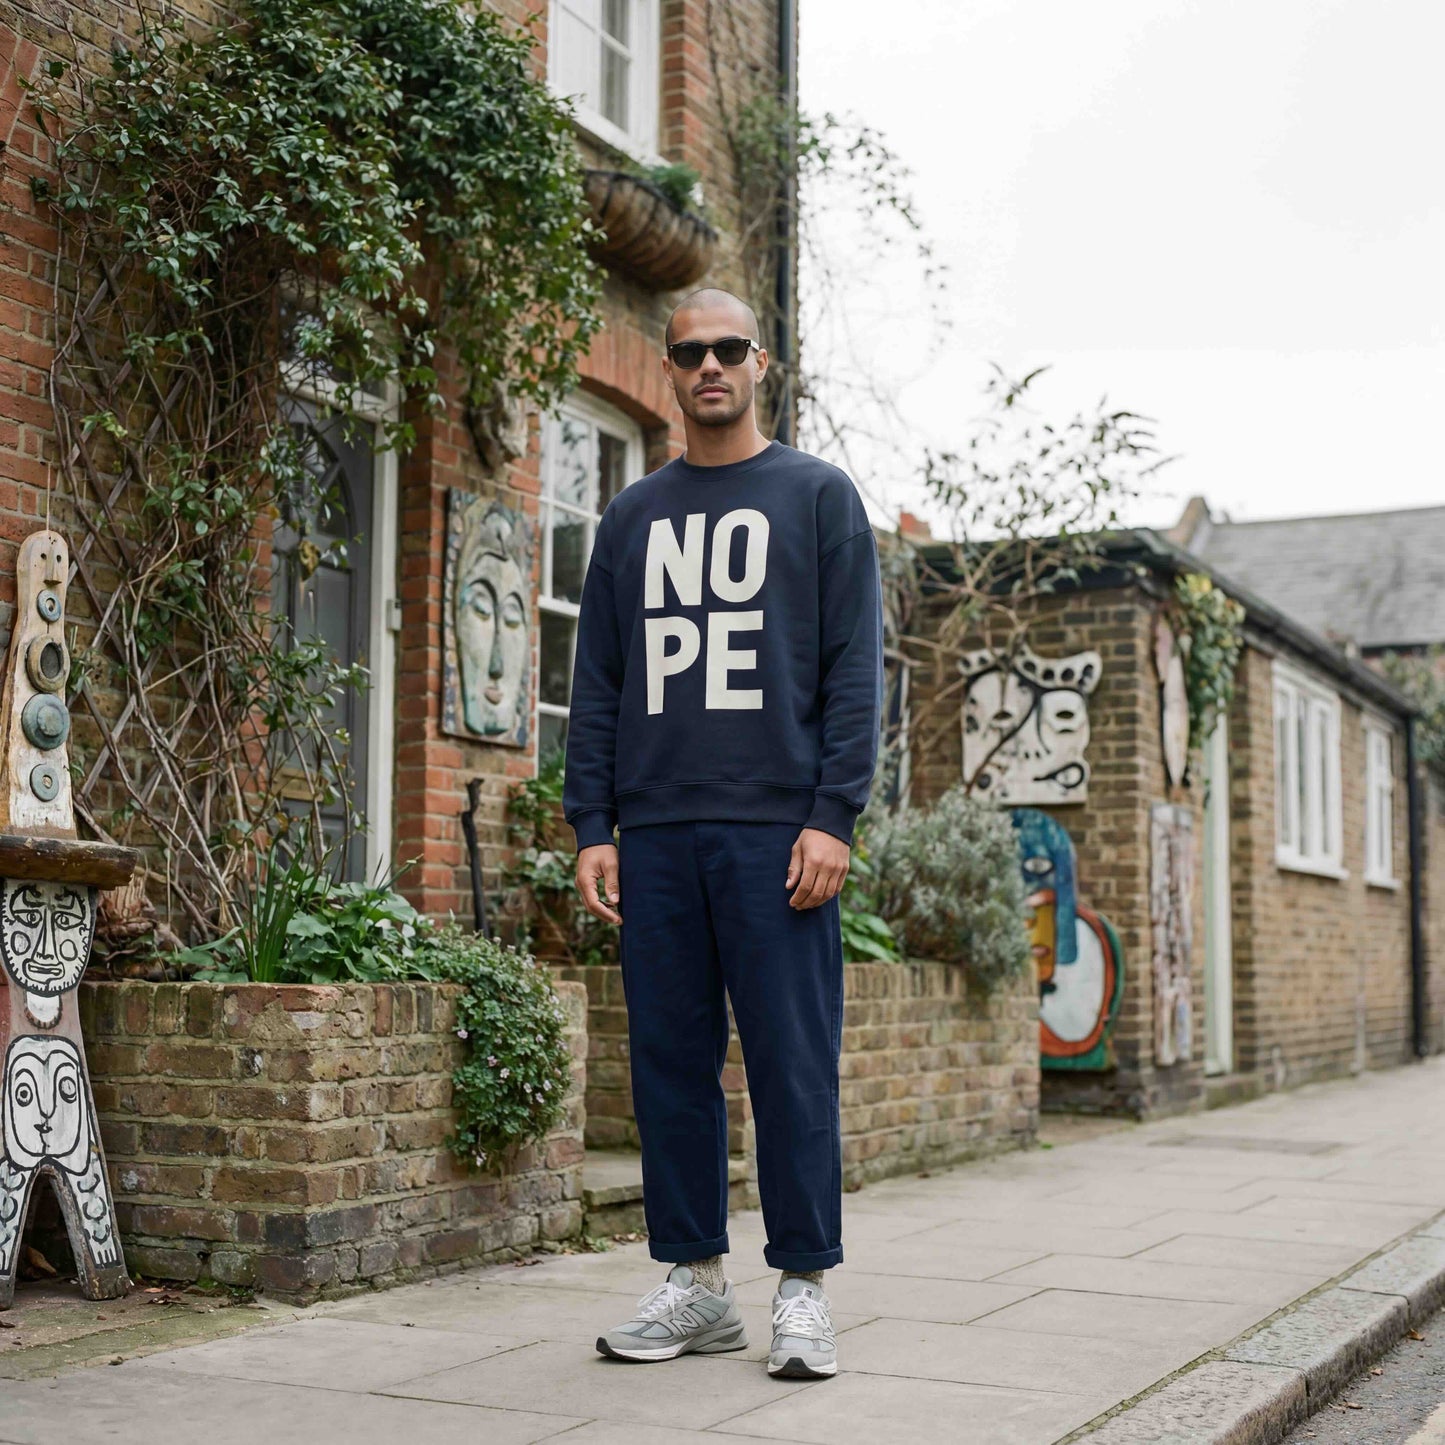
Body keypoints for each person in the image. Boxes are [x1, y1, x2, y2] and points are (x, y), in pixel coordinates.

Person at [562, 287, 883, 1380]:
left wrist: (832, 813)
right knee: (667, 1068)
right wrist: (590, 823)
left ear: (761, 362)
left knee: (793, 1065)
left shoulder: (816, 497)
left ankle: (801, 1286)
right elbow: (595, 681)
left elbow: (852, 673)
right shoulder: (629, 517)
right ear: (670, 369)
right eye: (689, 351)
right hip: (653, 835)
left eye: (727, 349)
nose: (709, 366)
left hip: (776, 836)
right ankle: (696, 1283)